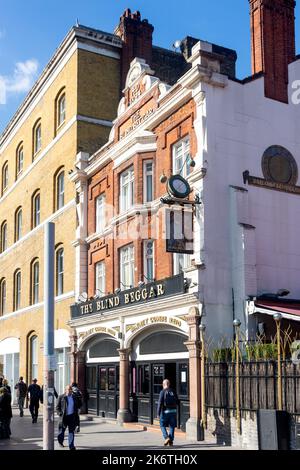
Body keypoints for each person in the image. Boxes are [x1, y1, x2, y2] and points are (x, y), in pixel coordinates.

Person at [56, 385, 82, 450]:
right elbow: (57, 407)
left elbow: (79, 405)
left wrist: (80, 398)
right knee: (61, 432)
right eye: (68, 389)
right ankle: (60, 441)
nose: (69, 391)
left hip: (72, 417)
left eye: (70, 389)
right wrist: (60, 413)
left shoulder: (74, 397)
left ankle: (71, 446)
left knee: (71, 432)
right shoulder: (61, 397)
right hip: (64, 417)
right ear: (65, 390)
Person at [157, 379, 179, 447]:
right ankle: (171, 441)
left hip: (165, 411)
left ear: (163, 385)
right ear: (169, 384)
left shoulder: (162, 392)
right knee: (172, 426)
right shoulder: (173, 391)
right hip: (173, 411)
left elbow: (160, 403)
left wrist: (158, 413)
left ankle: (166, 437)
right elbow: (177, 401)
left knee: (162, 425)